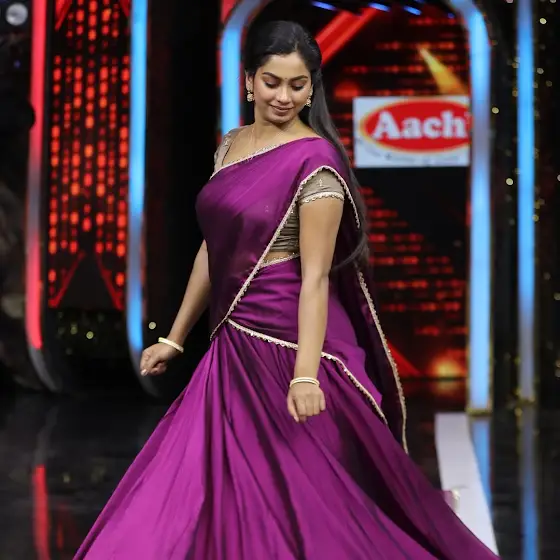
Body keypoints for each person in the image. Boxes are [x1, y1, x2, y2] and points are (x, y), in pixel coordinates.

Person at [75, 20, 499, 560]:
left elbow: (315, 279)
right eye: (272, 82)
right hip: (232, 343)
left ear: (311, 88)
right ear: (249, 81)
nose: (283, 96)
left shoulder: (316, 165)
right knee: (209, 480)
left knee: (302, 495)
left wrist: (304, 375)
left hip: (287, 345)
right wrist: (175, 338)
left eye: (298, 85)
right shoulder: (231, 145)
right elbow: (213, 250)